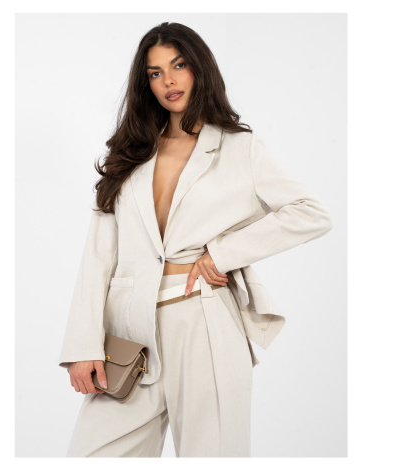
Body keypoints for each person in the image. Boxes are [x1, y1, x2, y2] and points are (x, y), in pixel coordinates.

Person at [58, 22, 333, 458]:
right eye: (155, 73)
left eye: (179, 65)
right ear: (146, 84)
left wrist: (222, 254)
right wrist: (82, 345)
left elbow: (311, 213)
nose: (168, 80)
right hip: (130, 336)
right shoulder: (129, 155)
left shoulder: (239, 148)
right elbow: (98, 256)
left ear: (199, 68)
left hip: (206, 323)